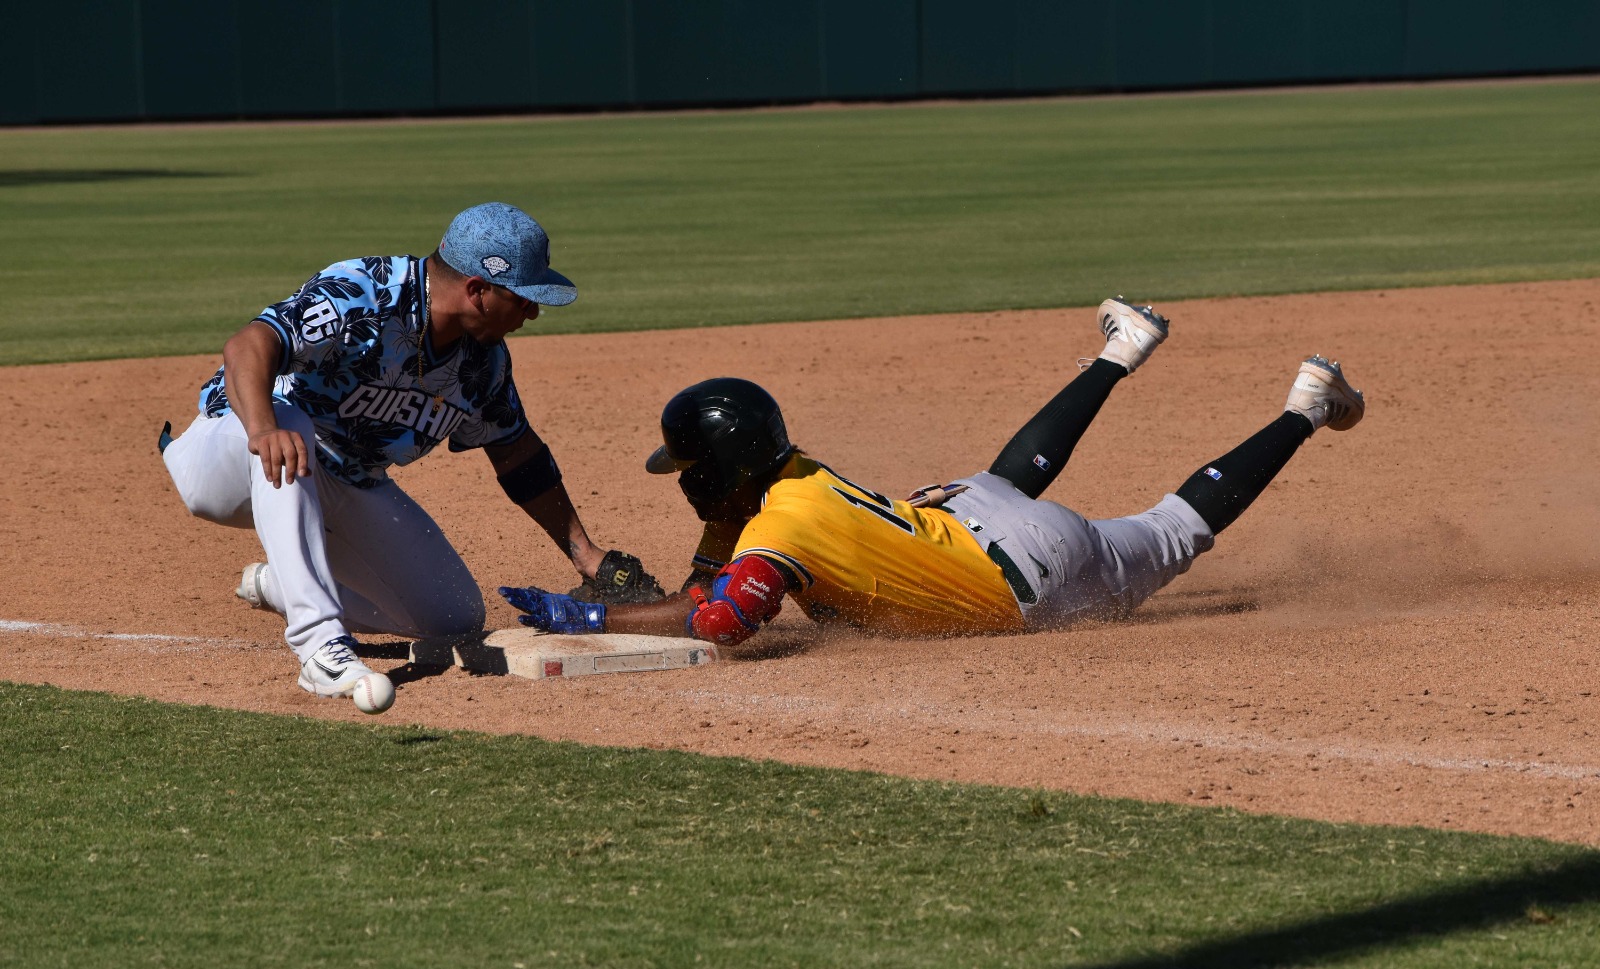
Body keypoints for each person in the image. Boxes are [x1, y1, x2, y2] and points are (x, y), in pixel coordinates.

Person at [498, 297, 1365, 646]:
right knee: (1002, 482)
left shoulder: (775, 527)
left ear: (716, 471)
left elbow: (722, 619)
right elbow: (715, 559)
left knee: (1174, 529)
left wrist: (591, 615)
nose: (683, 481)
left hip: (1034, 583)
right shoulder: (791, 474)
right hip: (968, 510)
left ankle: (1306, 406)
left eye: (687, 467)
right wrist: (672, 590)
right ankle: (1129, 349)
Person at [161, 202, 660, 710]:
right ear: (477, 290)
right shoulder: (365, 292)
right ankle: (319, 648)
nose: (532, 312)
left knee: (453, 616)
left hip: (346, 479)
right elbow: (249, 344)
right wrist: (264, 426)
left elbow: (517, 454)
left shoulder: (482, 363)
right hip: (231, 455)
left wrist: (586, 554)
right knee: (293, 425)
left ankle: (284, 583)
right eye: (523, 298)